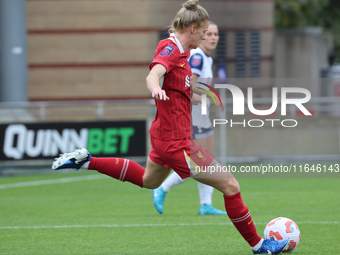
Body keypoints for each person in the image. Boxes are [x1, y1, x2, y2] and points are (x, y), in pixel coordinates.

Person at [52, 1, 290, 253]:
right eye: (205, 31)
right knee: (230, 185)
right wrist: (155, 86)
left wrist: (191, 96)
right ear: (194, 28)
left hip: (164, 137)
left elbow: (176, 82)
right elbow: (154, 73)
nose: (207, 36)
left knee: (148, 180)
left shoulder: (183, 51)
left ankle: (87, 161)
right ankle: (259, 246)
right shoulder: (171, 49)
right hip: (177, 144)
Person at [152, 21, 227, 216]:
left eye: (215, 34)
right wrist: (212, 96)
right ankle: (162, 188)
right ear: (200, 34)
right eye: (208, 33)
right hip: (192, 115)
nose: (212, 37)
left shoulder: (207, 59)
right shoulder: (197, 58)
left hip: (202, 114)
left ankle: (205, 205)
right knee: (199, 162)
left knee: (208, 160)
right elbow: (189, 85)